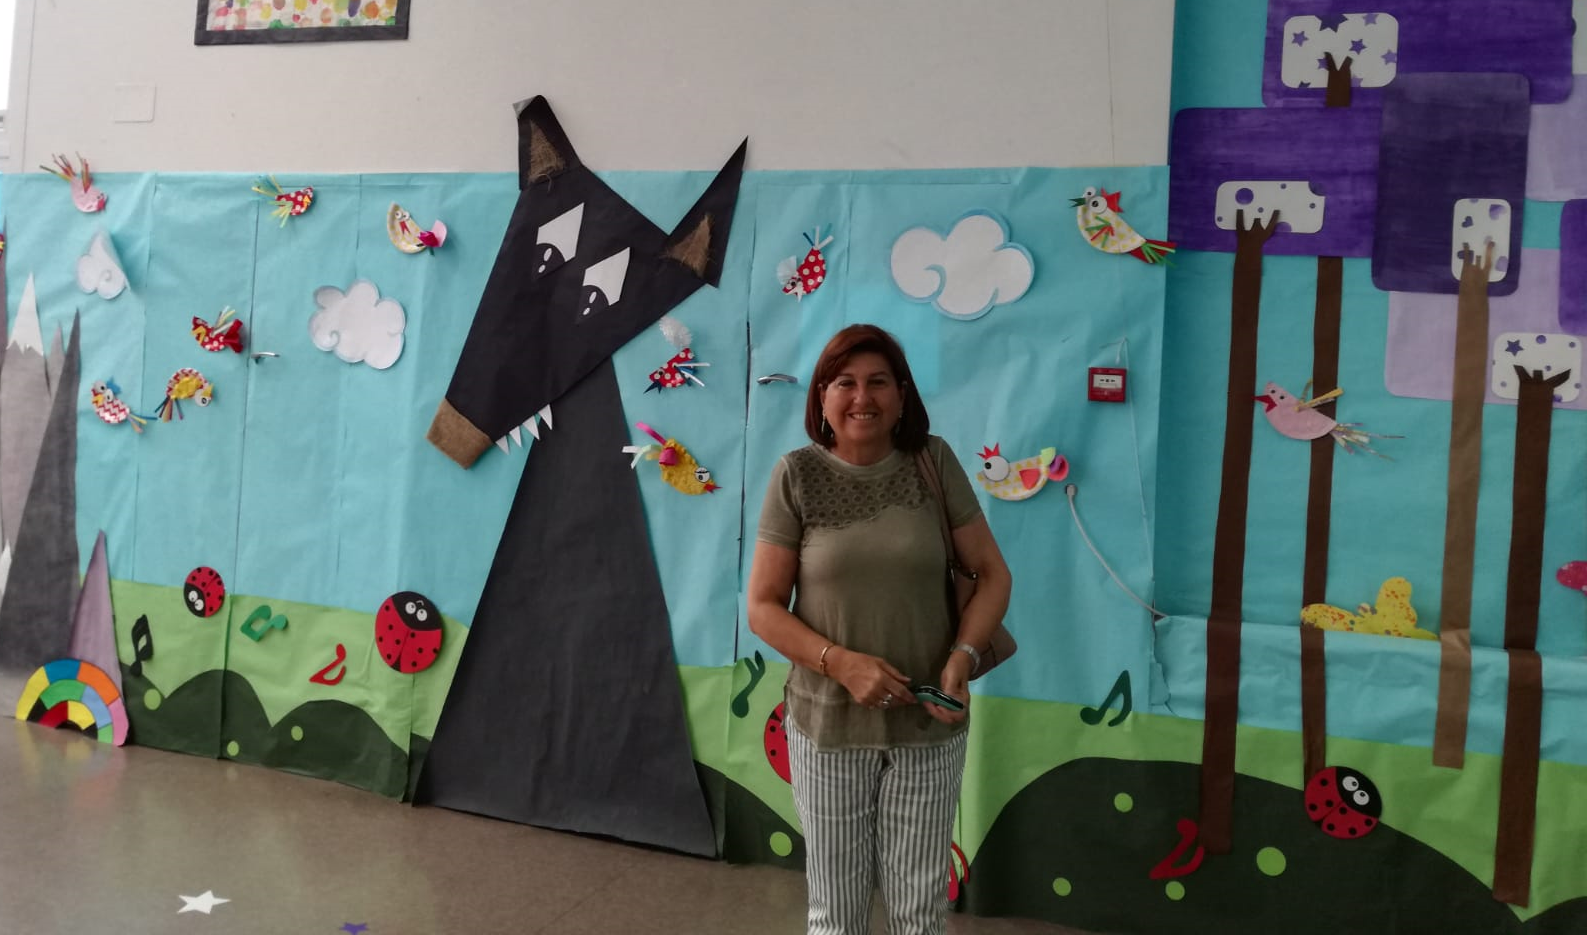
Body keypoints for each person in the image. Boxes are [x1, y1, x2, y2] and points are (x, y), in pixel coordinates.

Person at [747, 324, 1012, 935]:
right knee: (836, 914)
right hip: (828, 726)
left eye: (878, 382)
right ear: (821, 397)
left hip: (929, 723)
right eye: (844, 382)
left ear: (901, 395)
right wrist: (840, 663)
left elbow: (993, 574)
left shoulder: (932, 462)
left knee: (919, 914)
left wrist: (962, 659)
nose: (861, 397)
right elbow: (763, 607)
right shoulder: (796, 476)